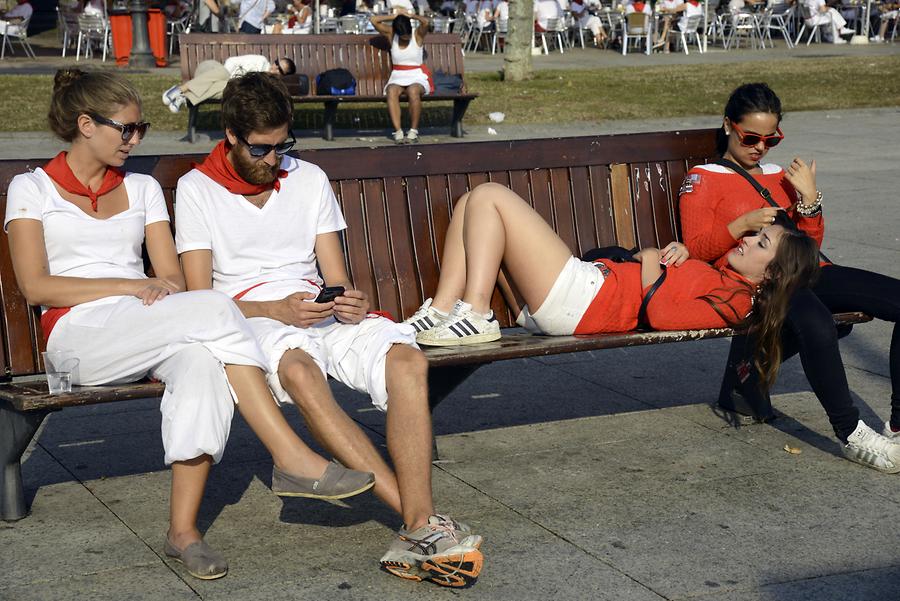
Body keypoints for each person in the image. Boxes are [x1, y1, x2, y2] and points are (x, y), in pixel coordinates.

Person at [4, 69, 375, 582]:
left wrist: (150, 290)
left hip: (145, 323)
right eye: (127, 129)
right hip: (78, 337)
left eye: (141, 128)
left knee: (203, 362)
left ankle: (183, 533)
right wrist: (131, 285)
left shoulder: (143, 188)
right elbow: (38, 287)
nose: (136, 139)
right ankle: (291, 455)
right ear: (85, 124)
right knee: (215, 307)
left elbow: (174, 278)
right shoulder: (32, 188)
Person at [174, 72, 485, 587]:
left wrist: (348, 297)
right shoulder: (197, 189)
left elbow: (334, 273)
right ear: (230, 135)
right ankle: (420, 526)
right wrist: (275, 310)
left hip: (316, 309)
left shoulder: (309, 178)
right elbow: (201, 300)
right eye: (262, 149)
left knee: (408, 361)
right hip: (250, 317)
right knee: (299, 372)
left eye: (283, 146)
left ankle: (420, 525)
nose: (274, 160)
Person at [405, 183, 819, 408]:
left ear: (770, 277)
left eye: (761, 244)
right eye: (756, 235)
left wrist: (654, 258)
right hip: (583, 292)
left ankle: (476, 312)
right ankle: (442, 309)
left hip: (586, 300)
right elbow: (663, 284)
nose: (749, 240)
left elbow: (660, 314)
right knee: (469, 202)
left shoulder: (737, 304)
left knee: (491, 196)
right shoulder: (726, 278)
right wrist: (666, 257)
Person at [678, 82, 900, 473]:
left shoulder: (779, 176)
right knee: (815, 322)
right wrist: (740, 225)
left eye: (771, 139)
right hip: (763, 280)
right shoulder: (703, 179)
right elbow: (695, 249)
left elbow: (808, 247)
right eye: (750, 137)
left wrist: (809, 201)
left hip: (807, 271)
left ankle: (898, 424)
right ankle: (852, 434)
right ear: (729, 125)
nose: (760, 148)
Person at [370, 11, 433, 144]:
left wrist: (410, 16)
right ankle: (398, 132)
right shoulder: (391, 34)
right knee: (391, 91)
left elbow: (426, 22)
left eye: (407, 35)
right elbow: (374, 20)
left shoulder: (417, 35)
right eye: (403, 36)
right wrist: (395, 16)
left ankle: (413, 131)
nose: (406, 38)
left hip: (416, 75)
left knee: (413, 91)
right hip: (398, 76)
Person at [162, 55, 296, 113]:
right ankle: (181, 89)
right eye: (277, 63)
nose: (275, 68)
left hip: (213, 85)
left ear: (282, 76)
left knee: (227, 88)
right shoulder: (260, 61)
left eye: (280, 70)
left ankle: (185, 97)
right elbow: (231, 62)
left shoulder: (266, 85)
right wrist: (230, 79)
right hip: (210, 70)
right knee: (225, 76)